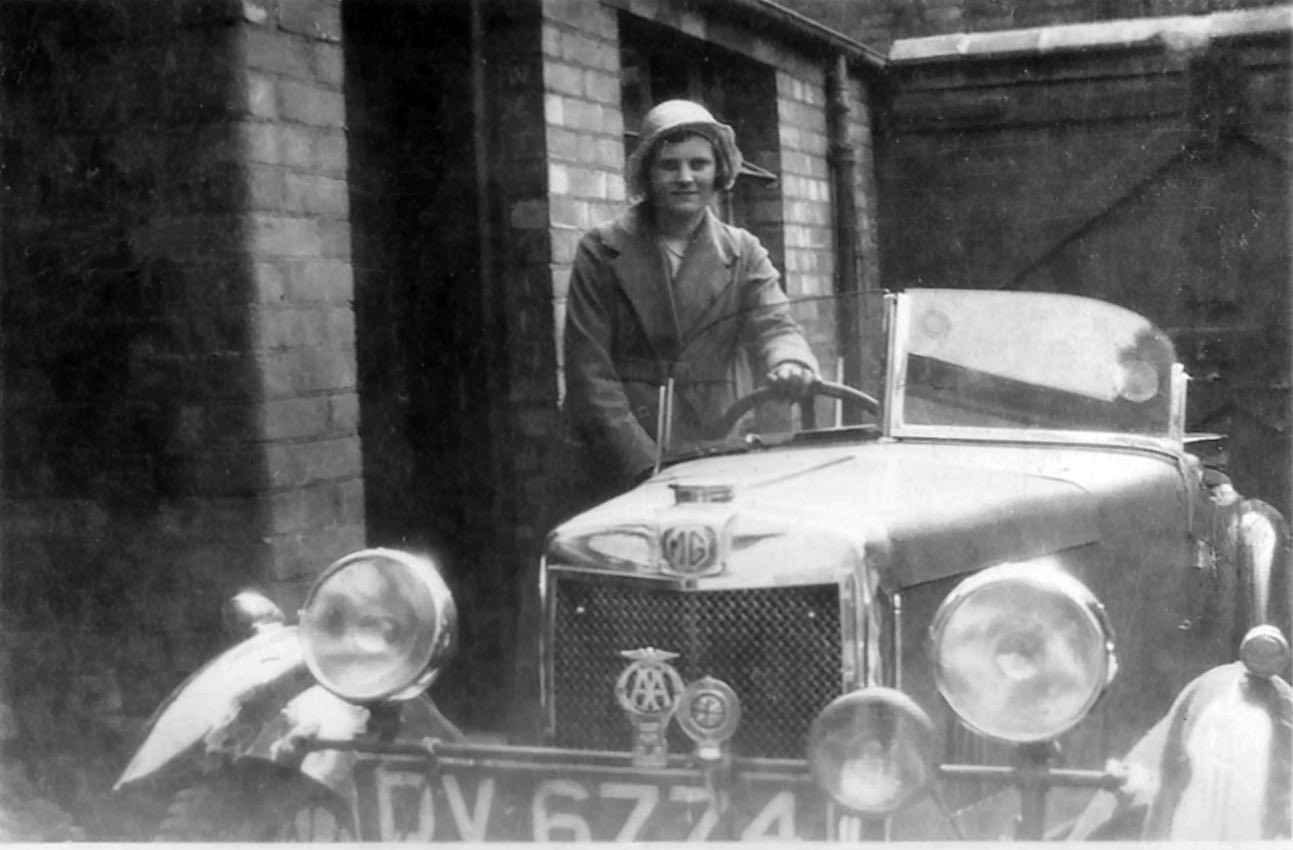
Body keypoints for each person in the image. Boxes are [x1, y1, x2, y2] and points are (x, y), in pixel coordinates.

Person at [562, 99, 819, 501]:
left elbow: (775, 324)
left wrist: (789, 360)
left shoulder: (743, 250)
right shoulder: (601, 250)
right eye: (669, 165)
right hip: (622, 459)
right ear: (647, 173)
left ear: (719, 172)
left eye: (698, 164)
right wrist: (645, 464)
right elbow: (589, 374)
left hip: (715, 446)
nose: (685, 178)